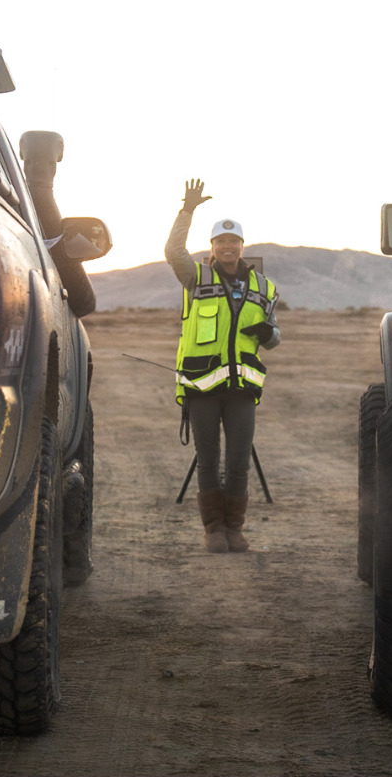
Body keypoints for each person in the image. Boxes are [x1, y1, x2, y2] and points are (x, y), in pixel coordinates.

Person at [166, 179, 280, 553]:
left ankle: (235, 528)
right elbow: (173, 250)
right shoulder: (196, 277)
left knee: (238, 461)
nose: (227, 247)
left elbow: (275, 337)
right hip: (201, 387)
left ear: (242, 246)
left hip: (242, 389)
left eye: (233, 242)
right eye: (220, 242)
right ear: (212, 247)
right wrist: (187, 211)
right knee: (209, 458)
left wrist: (268, 334)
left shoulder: (264, 288)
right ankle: (213, 528)